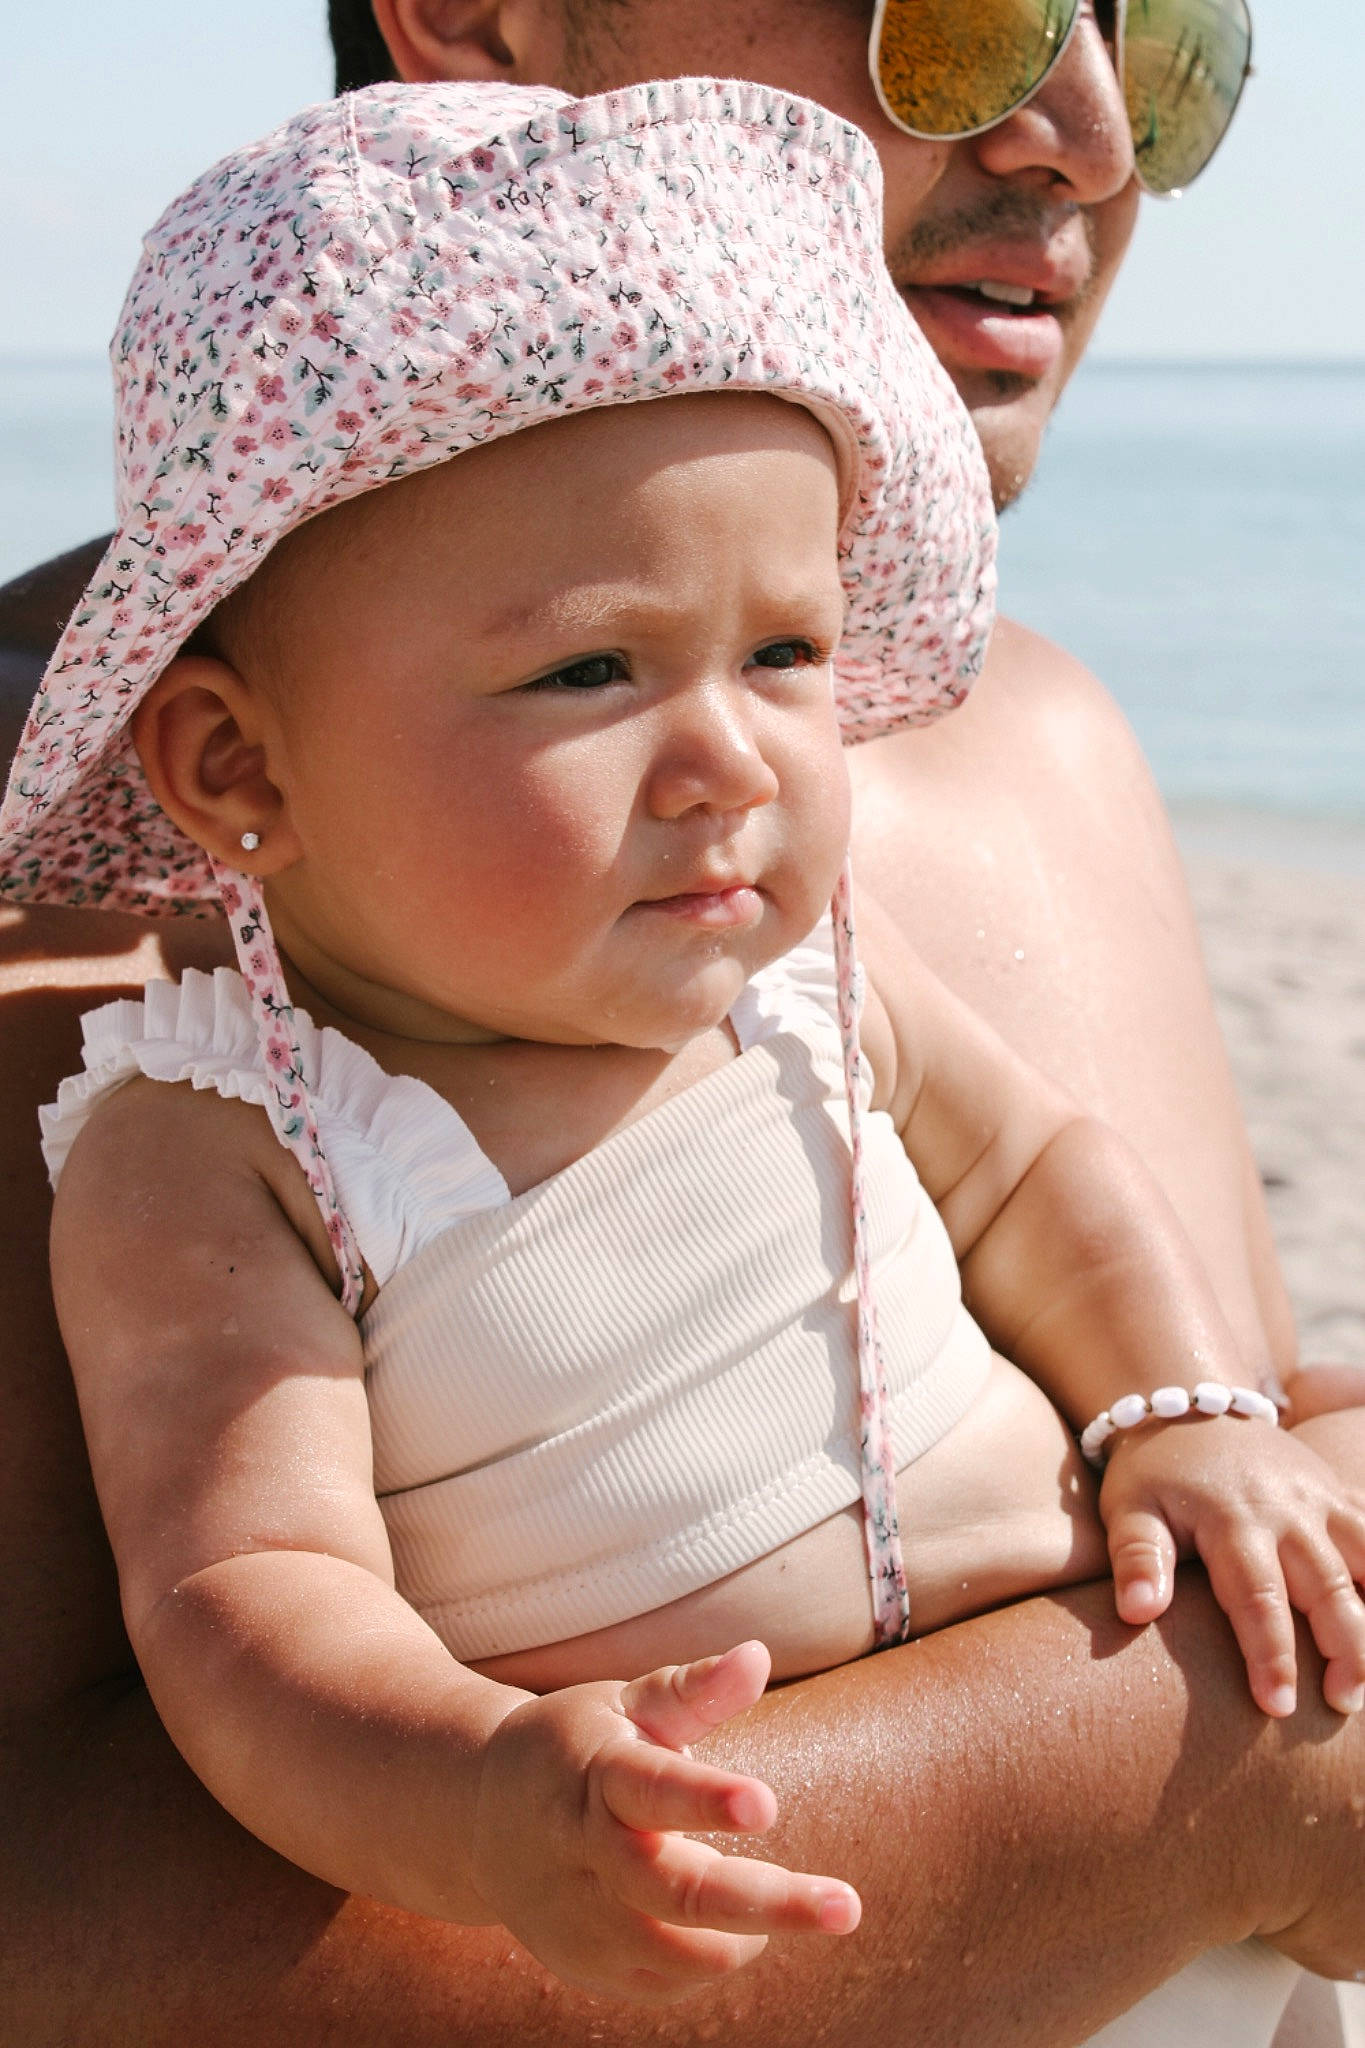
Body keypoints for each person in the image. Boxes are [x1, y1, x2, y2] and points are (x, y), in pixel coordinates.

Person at [3, 6, 1364, 2046]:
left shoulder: (887, 882)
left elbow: (1045, 1202)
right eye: (957, 3)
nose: (1086, 131)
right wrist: (1238, 1790)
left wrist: (1210, 1421)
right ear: (227, 767)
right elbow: (222, 1635)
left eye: (1171, 31)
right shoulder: (200, 1100)